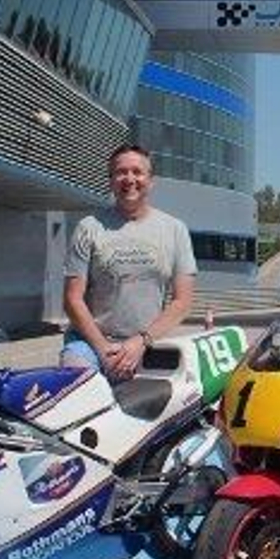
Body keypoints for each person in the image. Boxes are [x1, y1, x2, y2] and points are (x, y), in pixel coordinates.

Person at [61, 144, 196, 381]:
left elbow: (182, 302)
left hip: (147, 343)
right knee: (75, 388)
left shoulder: (175, 230)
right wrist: (103, 349)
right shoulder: (88, 228)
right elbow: (73, 299)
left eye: (137, 172)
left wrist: (140, 342)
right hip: (89, 344)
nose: (129, 179)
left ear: (150, 181)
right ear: (111, 181)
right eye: (121, 172)